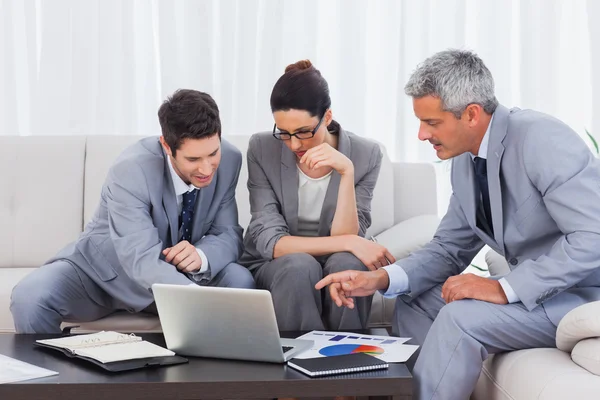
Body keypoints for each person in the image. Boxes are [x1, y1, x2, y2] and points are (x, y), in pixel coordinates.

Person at [315, 49, 600, 400]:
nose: (421, 134)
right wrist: (381, 279)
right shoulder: (465, 161)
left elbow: (593, 236)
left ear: (471, 114)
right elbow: (448, 249)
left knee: (459, 318)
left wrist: (503, 288)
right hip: (534, 297)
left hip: (580, 298)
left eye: (432, 123)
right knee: (415, 299)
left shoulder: (541, 140)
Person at [11, 89, 255, 334]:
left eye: (213, 153)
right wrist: (195, 300)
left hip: (173, 277)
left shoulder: (230, 159)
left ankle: (214, 372)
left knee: (239, 281)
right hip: (102, 277)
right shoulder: (132, 169)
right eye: (193, 159)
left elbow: (228, 234)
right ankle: (58, 371)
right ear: (166, 146)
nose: (206, 168)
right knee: (29, 297)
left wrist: (201, 257)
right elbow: (139, 258)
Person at [238, 60, 394, 331]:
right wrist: (352, 242)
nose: (294, 144)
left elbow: (346, 241)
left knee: (347, 264)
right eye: (284, 133)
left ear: (328, 117)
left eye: (303, 132)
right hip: (278, 265)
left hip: (336, 258)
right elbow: (272, 243)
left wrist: (346, 172)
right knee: (299, 267)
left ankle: (347, 363)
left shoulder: (366, 154)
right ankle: (298, 364)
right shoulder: (262, 148)